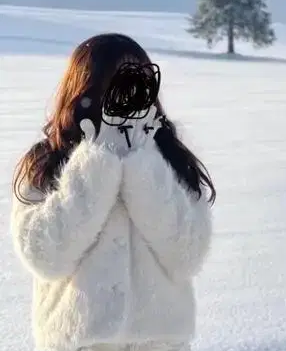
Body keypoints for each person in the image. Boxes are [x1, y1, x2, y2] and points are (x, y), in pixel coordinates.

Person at [10, 33, 215, 351]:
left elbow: (187, 254)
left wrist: (142, 161)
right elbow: (45, 256)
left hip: (158, 344)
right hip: (78, 344)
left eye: (136, 83)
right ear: (84, 90)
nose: (125, 97)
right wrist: (96, 161)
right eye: (111, 84)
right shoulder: (45, 162)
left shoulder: (170, 157)